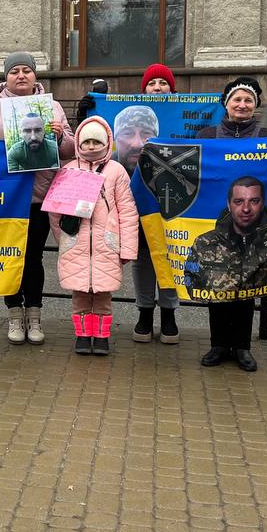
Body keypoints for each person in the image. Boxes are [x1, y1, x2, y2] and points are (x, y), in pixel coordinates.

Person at [0, 53, 75, 345]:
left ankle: (34, 313)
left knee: (33, 258)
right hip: (6, 197)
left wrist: (59, 137)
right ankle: (14, 313)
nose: (20, 75)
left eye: (26, 71)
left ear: (35, 77)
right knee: (10, 256)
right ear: (5, 78)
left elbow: (71, 148)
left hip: (40, 197)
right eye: (14, 71)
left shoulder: (53, 107)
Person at [187, 176, 267, 372]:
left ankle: (242, 348)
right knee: (216, 295)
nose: (246, 209)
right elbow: (194, 281)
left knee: (246, 298)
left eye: (254, 201)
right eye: (239, 201)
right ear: (229, 203)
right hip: (218, 298)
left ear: (263, 202)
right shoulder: (206, 241)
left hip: (250, 293)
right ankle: (219, 346)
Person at [48, 118, 138, 356]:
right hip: (76, 245)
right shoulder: (68, 170)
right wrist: (65, 239)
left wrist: (127, 249)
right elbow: (55, 212)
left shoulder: (116, 171)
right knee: (79, 296)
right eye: (86, 141)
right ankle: (82, 335)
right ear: (78, 142)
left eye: (95, 141)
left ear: (106, 142)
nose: (90, 146)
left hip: (106, 245)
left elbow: (128, 212)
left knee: (103, 298)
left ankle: (101, 337)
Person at [118, 63, 182, 345]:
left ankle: (169, 314)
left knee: (169, 257)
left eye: (163, 83)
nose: (158, 88)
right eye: (152, 84)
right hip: (134, 205)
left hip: (170, 203)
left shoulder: (180, 120)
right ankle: (144, 313)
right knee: (142, 259)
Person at [198, 76, 267, 140]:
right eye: (237, 100)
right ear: (226, 104)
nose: (242, 105)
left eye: (248, 100)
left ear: (255, 106)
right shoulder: (206, 136)